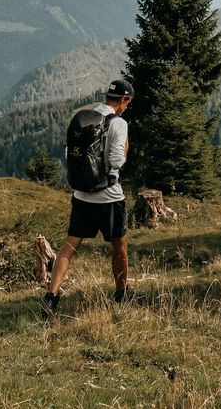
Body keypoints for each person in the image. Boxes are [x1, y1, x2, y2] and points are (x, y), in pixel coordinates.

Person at [43, 78, 134, 314]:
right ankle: (121, 293)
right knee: (119, 246)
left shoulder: (84, 118)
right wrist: (125, 148)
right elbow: (116, 161)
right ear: (124, 99)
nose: (126, 107)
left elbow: (70, 153)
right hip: (109, 197)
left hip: (82, 195)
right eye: (127, 102)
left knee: (69, 247)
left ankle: (51, 296)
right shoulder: (119, 123)